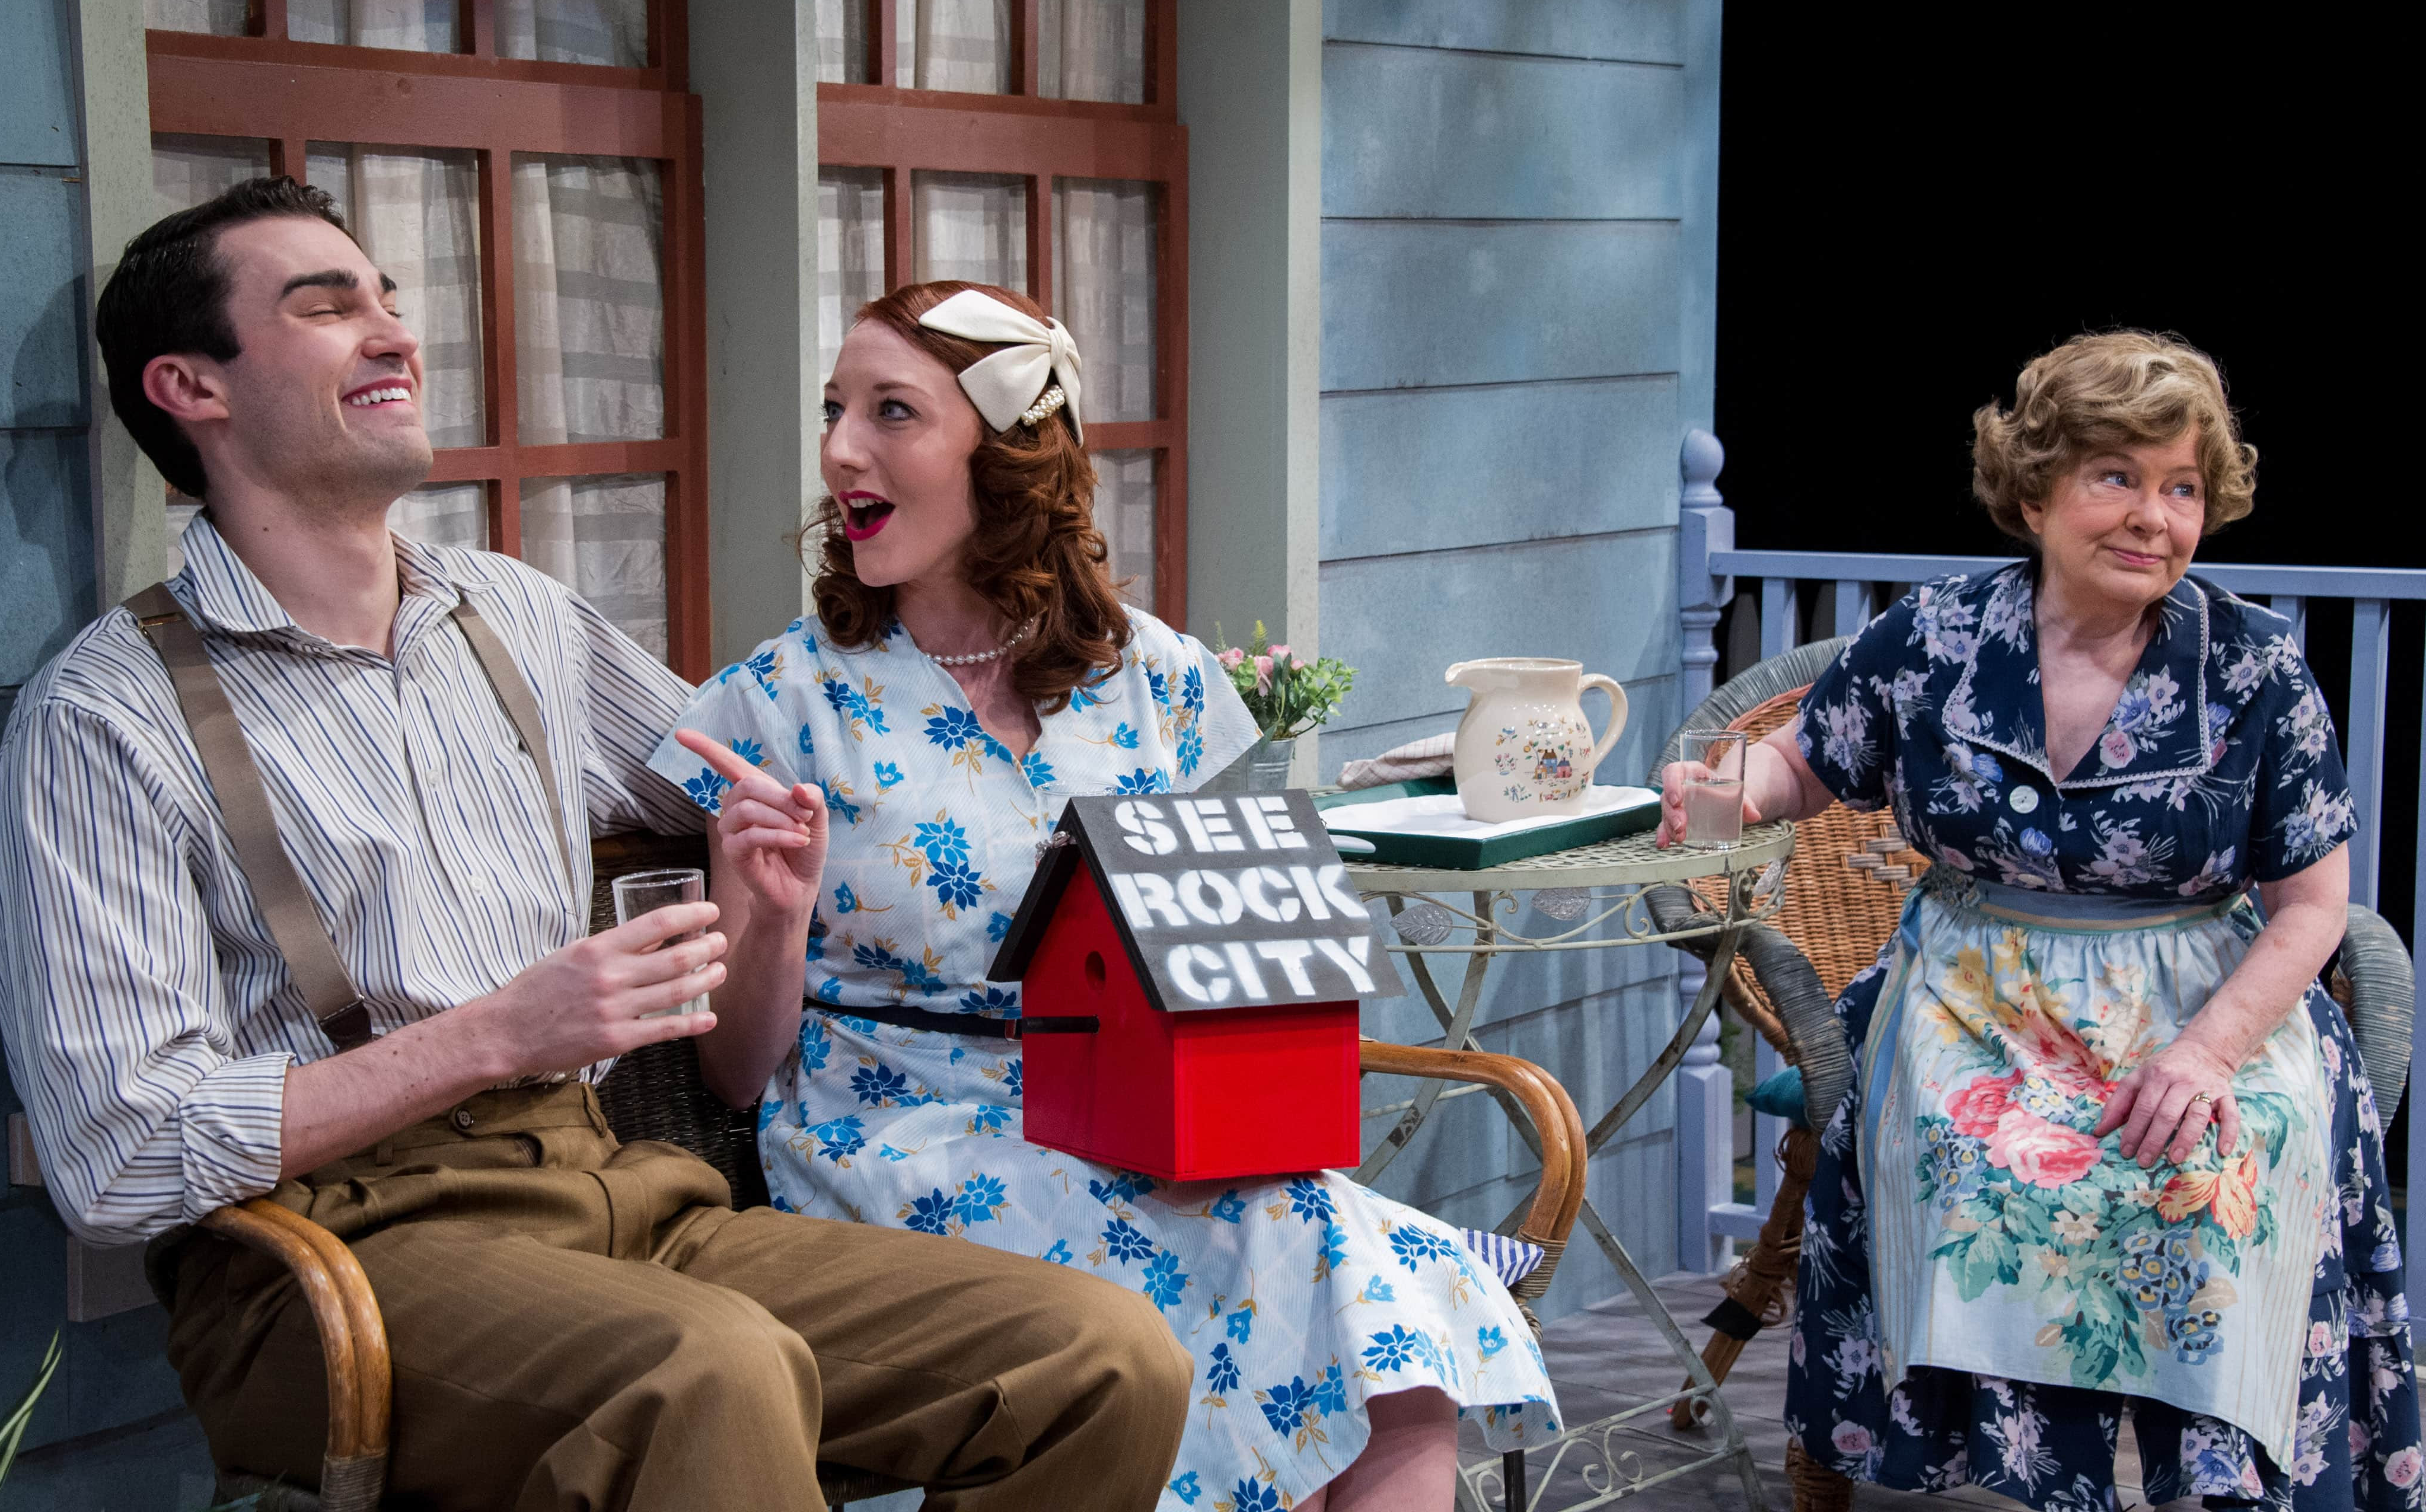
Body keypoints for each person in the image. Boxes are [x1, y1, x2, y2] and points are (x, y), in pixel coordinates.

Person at [0, 180, 1192, 1512]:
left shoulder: (516, 616)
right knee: (709, 1374)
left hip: (613, 1190)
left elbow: (765, 783)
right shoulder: (109, 714)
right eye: (327, 308)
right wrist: (503, 1031)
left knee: (1096, 1353)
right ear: (190, 389)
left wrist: (994, 665)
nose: (393, 332)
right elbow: (113, 1152)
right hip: (325, 1261)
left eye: (390, 299)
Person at [649, 280, 1558, 1512]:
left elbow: (1196, 958)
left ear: (1010, 461)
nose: (839, 450)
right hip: (905, 1145)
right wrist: (776, 909)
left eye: (893, 412)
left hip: (1138, 1123)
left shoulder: (1158, 682)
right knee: (1271, 1276)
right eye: (835, 410)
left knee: (1379, 1320)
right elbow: (738, 1079)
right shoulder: (776, 704)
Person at [1656, 332, 2417, 1511]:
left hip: (2201, 1000)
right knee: (1980, 1168)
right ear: (2034, 492)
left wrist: (2207, 1053)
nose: (2152, 517)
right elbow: (1800, 772)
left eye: (2181, 489)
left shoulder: (2258, 668)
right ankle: (2033, 1482)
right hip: (1978, 995)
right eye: (2116, 478)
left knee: (2217, 1172)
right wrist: (1727, 792)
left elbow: (2314, 908)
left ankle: (2224, 1485)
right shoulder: (1936, 638)